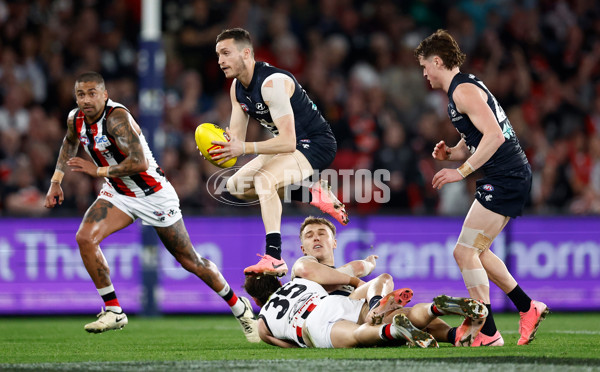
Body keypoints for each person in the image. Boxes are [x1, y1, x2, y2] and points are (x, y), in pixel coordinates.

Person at [44, 71, 259, 342]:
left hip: (152, 194)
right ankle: (113, 311)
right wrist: (56, 181)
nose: (85, 100)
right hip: (118, 192)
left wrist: (96, 171)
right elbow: (69, 142)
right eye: (80, 94)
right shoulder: (75, 119)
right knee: (85, 238)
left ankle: (240, 309)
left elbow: (139, 163)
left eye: (91, 93)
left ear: (104, 94)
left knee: (189, 260)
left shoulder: (117, 119)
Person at [414, 29, 549, 346]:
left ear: (437, 61)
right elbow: (475, 140)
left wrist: (460, 171)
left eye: (424, 66)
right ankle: (527, 307)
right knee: (478, 252)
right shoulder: (462, 89)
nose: (424, 73)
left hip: (507, 176)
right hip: (504, 175)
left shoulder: (463, 92)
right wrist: (452, 154)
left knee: (464, 251)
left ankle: (487, 331)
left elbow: (495, 137)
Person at [211, 28, 349, 277]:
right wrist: (218, 149)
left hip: (315, 143)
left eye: (226, 53)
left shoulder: (271, 83)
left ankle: (274, 257)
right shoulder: (236, 89)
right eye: (218, 55)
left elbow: (287, 141)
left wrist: (243, 148)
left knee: (265, 180)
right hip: (286, 144)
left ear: (246, 53)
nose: (220, 60)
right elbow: (237, 141)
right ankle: (313, 194)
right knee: (235, 186)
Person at [244, 275, 488, 349]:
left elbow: (282, 343)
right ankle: (437, 307)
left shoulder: (264, 319)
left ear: (256, 300)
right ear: (278, 282)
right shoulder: (301, 282)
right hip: (328, 303)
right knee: (408, 310)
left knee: (359, 335)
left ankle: (394, 330)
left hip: (310, 324)